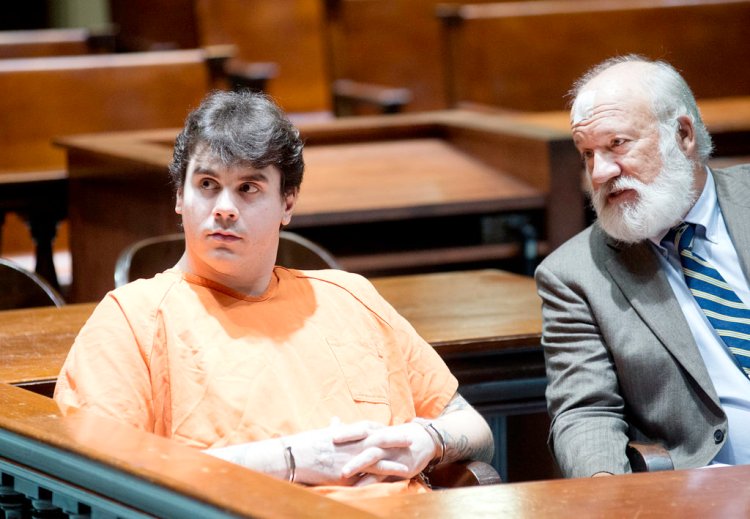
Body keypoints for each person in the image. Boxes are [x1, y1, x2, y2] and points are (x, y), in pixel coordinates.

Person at [53, 90, 494, 500]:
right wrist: (290, 460)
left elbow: (474, 428)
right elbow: (105, 477)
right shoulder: (131, 319)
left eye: (248, 188)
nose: (224, 207)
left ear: (287, 203)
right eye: (207, 184)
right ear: (179, 196)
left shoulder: (350, 297)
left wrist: (427, 442)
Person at [535, 55, 750, 478]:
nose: (600, 174)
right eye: (587, 155)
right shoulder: (575, 275)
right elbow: (586, 412)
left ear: (683, 135)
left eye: (617, 144)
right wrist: (608, 492)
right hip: (714, 489)